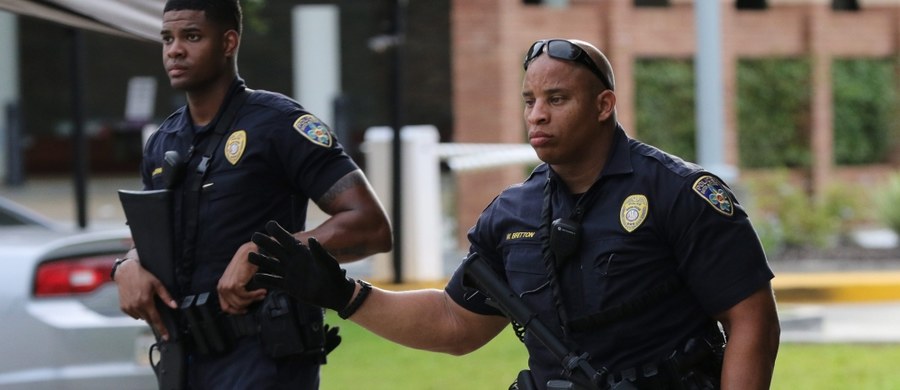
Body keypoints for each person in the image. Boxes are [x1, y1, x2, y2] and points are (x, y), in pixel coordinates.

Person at [248, 38, 780, 389]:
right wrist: (344, 294)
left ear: (603, 105)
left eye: (557, 98)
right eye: (529, 100)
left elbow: (751, 317)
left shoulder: (679, 192)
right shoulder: (512, 211)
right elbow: (456, 324)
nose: (538, 114)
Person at [111, 0, 392, 388]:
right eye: (167, 38)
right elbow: (146, 239)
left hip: (265, 360)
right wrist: (126, 264)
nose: (174, 49)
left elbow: (371, 227)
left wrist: (264, 256)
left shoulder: (279, 124)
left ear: (228, 42)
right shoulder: (162, 140)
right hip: (184, 361)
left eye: (191, 36)